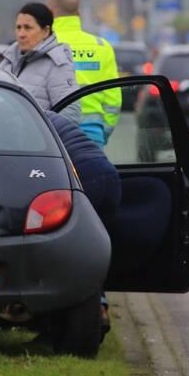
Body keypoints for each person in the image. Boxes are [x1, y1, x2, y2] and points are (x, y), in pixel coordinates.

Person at [45, 110, 121, 336]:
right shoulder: (46, 114)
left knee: (68, 249)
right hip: (109, 177)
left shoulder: (29, 119)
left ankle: (67, 324)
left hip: (86, 177)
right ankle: (98, 309)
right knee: (92, 251)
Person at [47, 0, 122, 146]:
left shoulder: (44, 44)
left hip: (53, 133)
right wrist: (104, 130)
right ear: (78, 13)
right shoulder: (102, 46)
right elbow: (113, 99)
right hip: (92, 134)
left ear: (50, 12)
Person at [0, 2, 77, 110]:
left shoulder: (57, 64)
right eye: (18, 27)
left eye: (27, 28)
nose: (21, 34)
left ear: (45, 31)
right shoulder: (8, 60)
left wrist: (38, 126)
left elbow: (70, 113)